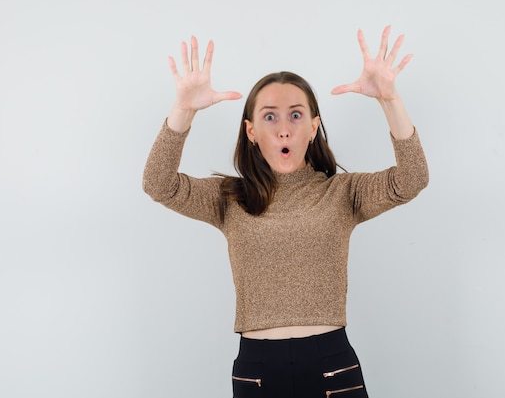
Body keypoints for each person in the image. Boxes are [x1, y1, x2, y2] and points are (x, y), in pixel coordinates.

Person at [143, 26, 428, 398]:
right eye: (270, 117)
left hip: (331, 365)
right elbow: (158, 184)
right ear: (250, 131)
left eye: (295, 116)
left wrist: (390, 100)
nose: (283, 130)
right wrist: (183, 110)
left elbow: (412, 179)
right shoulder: (229, 198)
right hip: (258, 369)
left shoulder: (343, 193)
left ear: (313, 129)